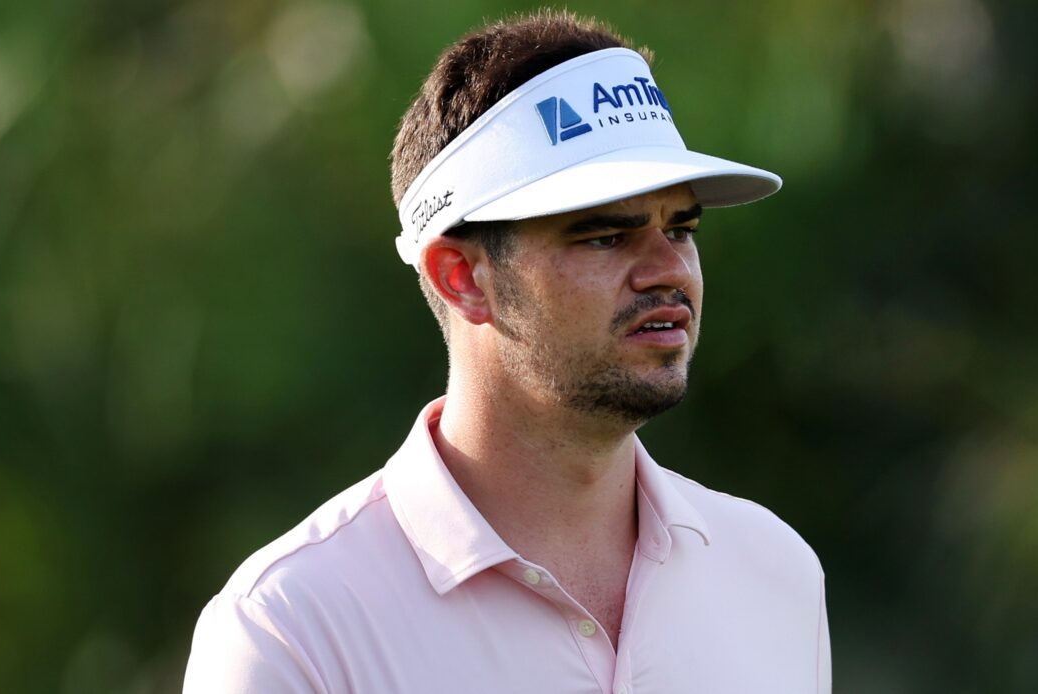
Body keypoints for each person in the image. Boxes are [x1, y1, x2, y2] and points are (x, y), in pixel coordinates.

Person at [184, 10, 830, 693]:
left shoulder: (774, 571)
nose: (668, 269)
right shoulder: (292, 628)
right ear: (462, 279)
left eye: (682, 226)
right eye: (604, 236)